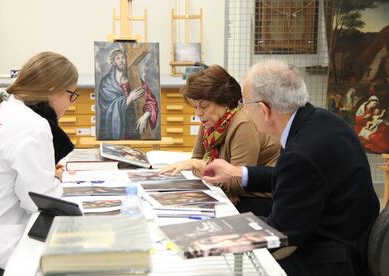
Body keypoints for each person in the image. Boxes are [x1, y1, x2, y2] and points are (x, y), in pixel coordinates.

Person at [202, 60, 380, 276]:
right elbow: (296, 179)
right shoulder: (324, 121)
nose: (244, 112)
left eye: (245, 104)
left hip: (331, 260)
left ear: (264, 110)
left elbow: (280, 236)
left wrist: (213, 241)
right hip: (350, 238)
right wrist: (238, 172)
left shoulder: (301, 153)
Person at [0, 51, 78, 269]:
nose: (70, 104)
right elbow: (38, 200)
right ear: (52, 90)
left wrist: (46, 175)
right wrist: (52, 181)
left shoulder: (2, 109)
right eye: (71, 95)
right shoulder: (32, 125)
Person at [160, 65, 280, 216]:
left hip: (257, 199)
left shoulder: (243, 124)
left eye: (204, 106)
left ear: (224, 102)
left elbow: (238, 183)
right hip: (228, 192)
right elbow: (196, 158)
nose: (198, 113)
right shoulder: (211, 122)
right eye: (195, 106)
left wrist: (201, 166)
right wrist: (199, 165)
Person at [97, 48, 158, 140]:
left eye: (123, 58)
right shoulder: (106, 83)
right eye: (118, 58)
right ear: (113, 62)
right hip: (117, 128)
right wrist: (130, 98)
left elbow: (151, 100)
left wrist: (145, 116)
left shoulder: (134, 80)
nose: (121, 60)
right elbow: (108, 108)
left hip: (134, 127)